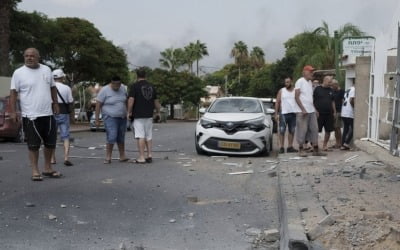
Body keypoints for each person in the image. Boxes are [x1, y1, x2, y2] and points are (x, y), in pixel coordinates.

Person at [10, 48, 62, 181]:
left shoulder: (46, 70)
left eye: (32, 56)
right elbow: (13, 93)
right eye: (26, 56)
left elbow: (52, 87)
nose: (29, 58)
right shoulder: (18, 73)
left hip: (48, 114)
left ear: (38, 57)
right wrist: (13, 111)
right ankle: (35, 170)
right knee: (33, 145)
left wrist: (55, 103)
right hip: (30, 116)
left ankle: (48, 168)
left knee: (50, 143)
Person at [127, 67, 161, 164]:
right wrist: (158, 112)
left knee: (140, 136)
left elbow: (131, 100)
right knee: (148, 135)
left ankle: (141, 157)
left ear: (137, 76)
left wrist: (129, 112)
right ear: (145, 76)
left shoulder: (134, 86)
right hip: (149, 115)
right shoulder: (152, 86)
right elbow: (156, 101)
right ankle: (149, 155)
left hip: (138, 115)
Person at [294, 65, 326, 157]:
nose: (312, 73)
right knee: (302, 130)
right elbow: (296, 96)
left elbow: (309, 98)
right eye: (310, 71)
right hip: (302, 111)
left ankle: (316, 149)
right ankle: (301, 149)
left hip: (311, 110)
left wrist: (315, 109)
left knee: (314, 129)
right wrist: (303, 109)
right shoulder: (300, 81)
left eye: (312, 71)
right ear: (304, 72)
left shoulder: (310, 83)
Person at [95, 76, 129, 164]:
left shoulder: (123, 89)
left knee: (121, 137)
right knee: (112, 136)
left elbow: (126, 101)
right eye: (116, 85)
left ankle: (122, 156)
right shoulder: (104, 90)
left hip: (122, 117)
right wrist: (97, 119)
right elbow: (98, 104)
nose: (117, 86)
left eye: (119, 84)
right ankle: (108, 156)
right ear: (112, 83)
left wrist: (128, 112)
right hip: (110, 117)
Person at [50, 69, 74, 166]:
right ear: (62, 77)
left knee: (51, 136)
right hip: (64, 112)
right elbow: (70, 101)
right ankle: (66, 157)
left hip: (51, 112)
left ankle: (52, 158)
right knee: (65, 136)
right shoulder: (67, 88)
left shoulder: (49, 87)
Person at [275, 76, 298, 154]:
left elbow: (298, 101)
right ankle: (281, 147)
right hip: (283, 114)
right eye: (285, 82)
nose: (286, 84)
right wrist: (276, 113)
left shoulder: (295, 90)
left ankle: (290, 147)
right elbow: (277, 102)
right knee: (282, 130)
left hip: (293, 113)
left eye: (288, 82)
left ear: (291, 82)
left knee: (292, 130)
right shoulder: (281, 91)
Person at [313, 75, 336, 151]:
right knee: (316, 130)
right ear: (324, 80)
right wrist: (315, 110)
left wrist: (334, 112)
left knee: (328, 130)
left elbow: (333, 101)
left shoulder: (331, 90)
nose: (330, 83)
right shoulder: (317, 89)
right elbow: (312, 101)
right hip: (319, 113)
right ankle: (315, 146)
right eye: (329, 82)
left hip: (329, 114)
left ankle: (325, 145)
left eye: (331, 82)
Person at [341, 82, 355, 150]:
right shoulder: (354, 89)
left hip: (344, 111)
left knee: (345, 129)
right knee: (353, 128)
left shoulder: (348, 89)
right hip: (349, 112)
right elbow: (351, 100)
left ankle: (342, 144)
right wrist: (354, 108)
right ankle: (346, 143)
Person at [331, 79, 345, 148]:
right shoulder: (332, 91)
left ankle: (340, 142)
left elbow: (343, 101)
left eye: (333, 85)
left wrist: (342, 111)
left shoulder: (341, 91)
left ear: (336, 84)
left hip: (339, 111)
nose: (332, 87)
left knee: (338, 127)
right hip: (334, 111)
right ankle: (337, 142)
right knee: (335, 128)